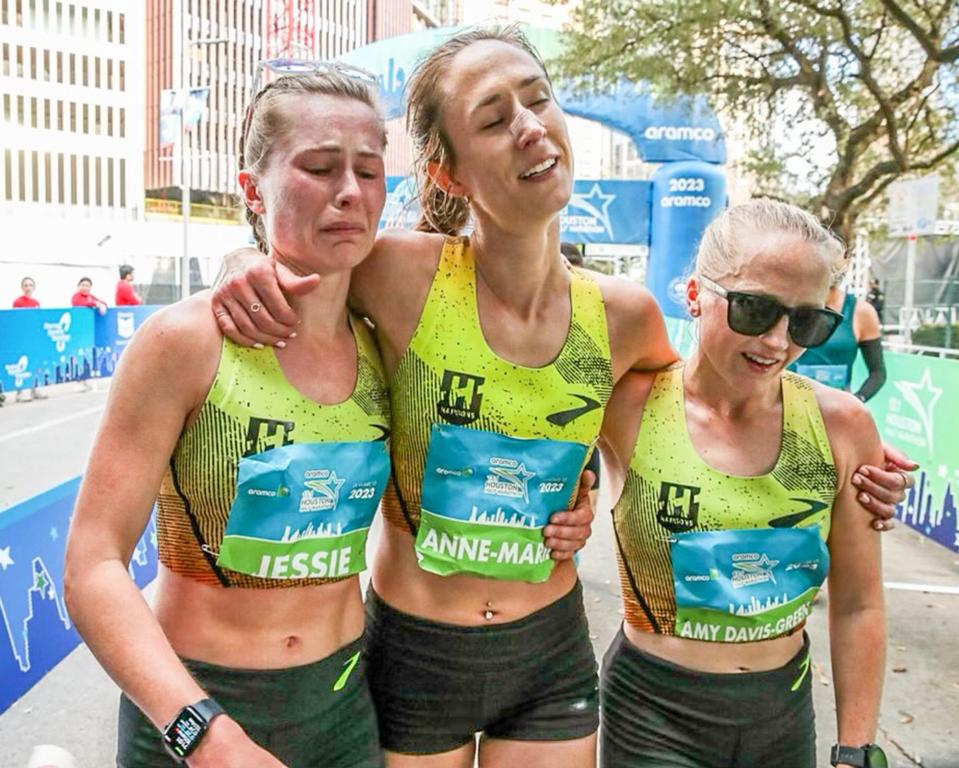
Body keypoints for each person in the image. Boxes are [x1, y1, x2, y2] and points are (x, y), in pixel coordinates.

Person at [211, 28, 913, 768]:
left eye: (538, 100)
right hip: (416, 649)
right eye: (492, 118)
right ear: (446, 174)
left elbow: (708, 408)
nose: (528, 126)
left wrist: (848, 449)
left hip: (547, 651)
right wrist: (240, 259)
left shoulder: (625, 315)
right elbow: (297, 260)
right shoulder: (396, 275)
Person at [64, 69, 393, 768]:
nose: (349, 192)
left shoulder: (390, 341)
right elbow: (92, 565)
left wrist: (571, 499)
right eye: (318, 167)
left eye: (369, 170)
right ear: (251, 189)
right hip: (195, 713)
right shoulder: (183, 342)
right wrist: (202, 734)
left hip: (342, 713)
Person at [599, 200, 887, 768]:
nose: (778, 342)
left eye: (806, 321)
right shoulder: (625, 404)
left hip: (780, 714)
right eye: (754, 309)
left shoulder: (842, 426)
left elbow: (858, 605)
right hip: (650, 713)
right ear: (693, 296)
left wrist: (856, 750)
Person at [792, 261, 886, 402]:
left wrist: (857, 399)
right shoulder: (788, 304)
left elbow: (878, 373)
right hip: (784, 406)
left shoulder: (861, 311)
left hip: (833, 412)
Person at [11, 277, 48, 401]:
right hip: (22, 337)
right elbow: (17, 319)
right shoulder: (18, 302)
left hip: (34, 337)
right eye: (25, 285)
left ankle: (34, 389)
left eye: (30, 285)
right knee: (21, 362)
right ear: (22, 287)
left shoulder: (36, 303)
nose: (28, 287)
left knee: (35, 362)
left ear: (34, 287)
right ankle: (20, 392)